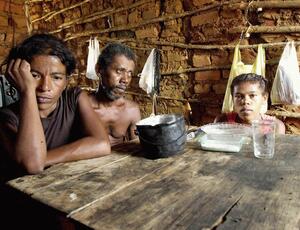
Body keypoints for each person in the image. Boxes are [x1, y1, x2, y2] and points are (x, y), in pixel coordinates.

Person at [0, 33, 111, 181]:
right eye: (34, 75)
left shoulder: (75, 98)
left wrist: (43, 159)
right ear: (19, 77)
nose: (45, 87)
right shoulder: (6, 117)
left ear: (66, 81)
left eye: (56, 77)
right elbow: (33, 165)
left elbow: (102, 144)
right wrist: (27, 92)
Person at [88, 43, 141, 146]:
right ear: (99, 69)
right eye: (119, 71)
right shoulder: (82, 107)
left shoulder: (131, 110)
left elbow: (137, 149)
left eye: (129, 73)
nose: (125, 80)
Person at [215, 73, 285, 134]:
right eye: (239, 96)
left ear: (264, 98)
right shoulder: (223, 121)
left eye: (252, 95)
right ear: (233, 99)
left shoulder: (275, 126)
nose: (245, 101)